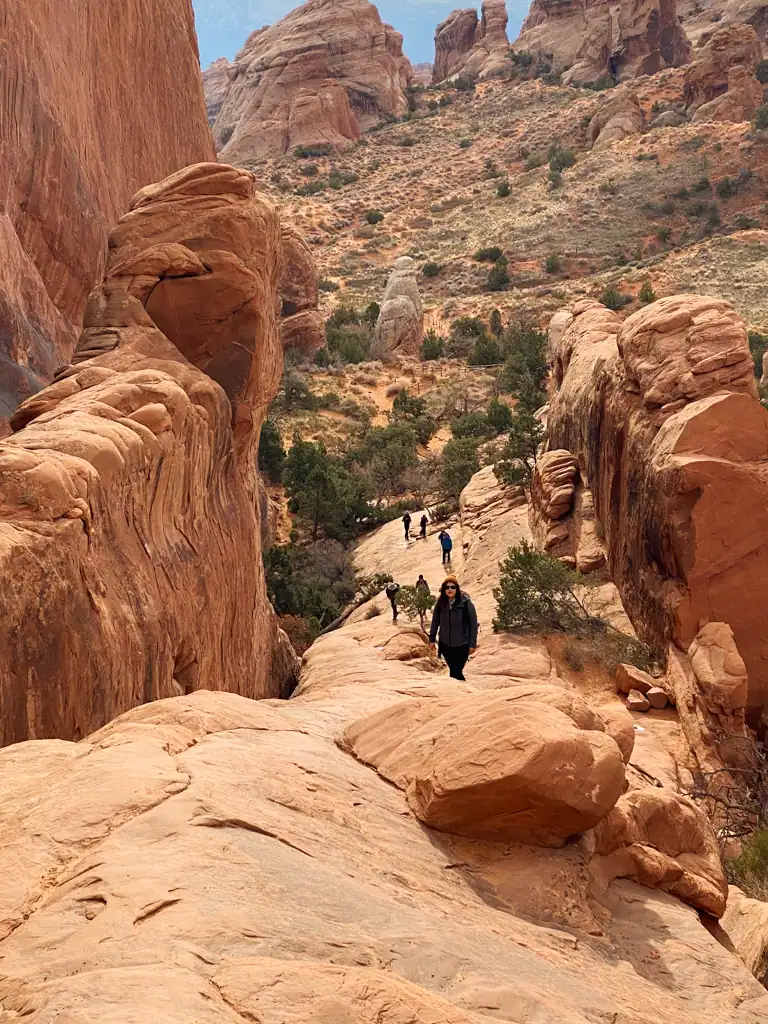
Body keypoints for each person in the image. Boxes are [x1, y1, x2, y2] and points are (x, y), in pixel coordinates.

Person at [429, 576, 478, 680]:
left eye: (453, 587)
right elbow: (435, 621)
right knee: (453, 671)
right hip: (445, 644)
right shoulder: (440, 603)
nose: (450, 590)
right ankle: (461, 691)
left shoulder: (466, 603)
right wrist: (432, 639)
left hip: (462, 644)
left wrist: (472, 644)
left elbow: (473, 625)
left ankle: (461, 690)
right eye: (447, 587)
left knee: (456, 671)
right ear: (443, 589)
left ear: (457, 588)